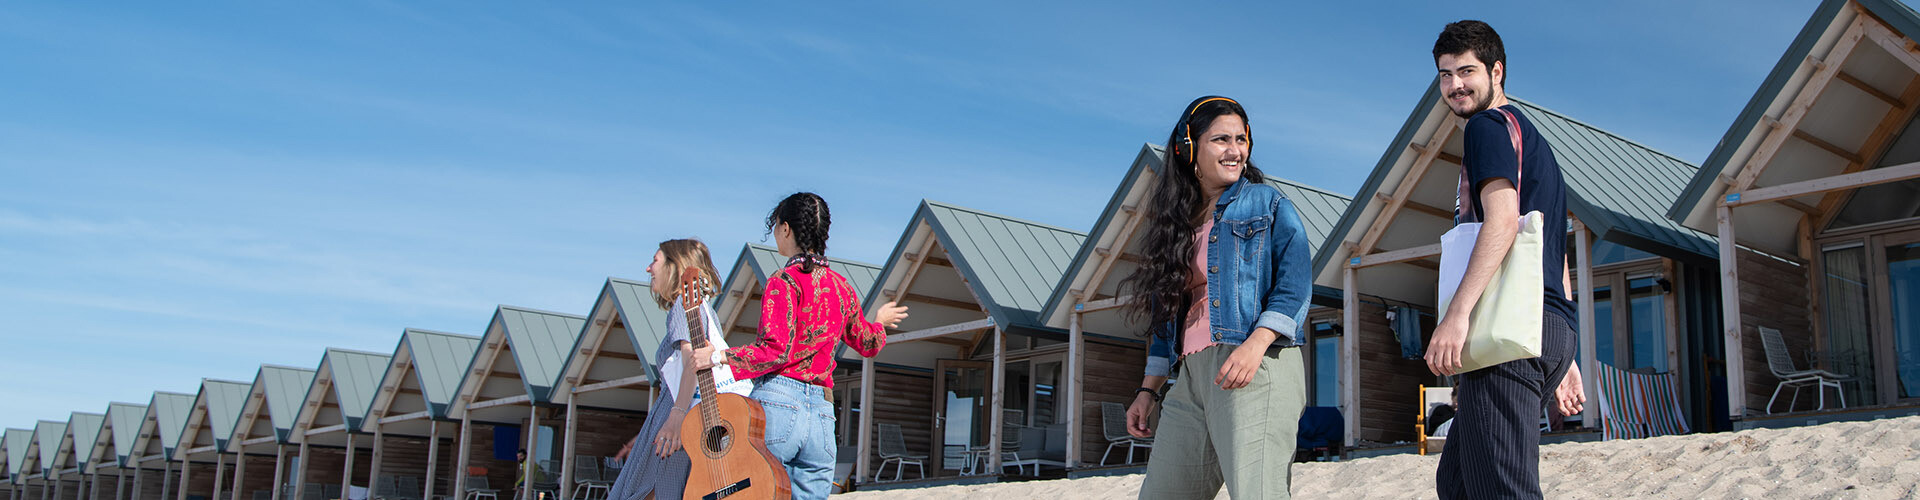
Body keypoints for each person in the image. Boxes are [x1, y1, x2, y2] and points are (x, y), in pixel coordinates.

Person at [1423, 20, 1587, 499]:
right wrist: (1566, 349)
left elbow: (1501, 223)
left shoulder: (1489, 126)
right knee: (1457, 484)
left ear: (1497, 71)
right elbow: (1551, 251)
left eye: (1467, 71)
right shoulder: (1531, 139)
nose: (1455, 85)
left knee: (1502, 491)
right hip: (1541, 327)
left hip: (1509, 334)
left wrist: (1457, 316)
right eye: (1445, 74)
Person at [1120, 96, 1313, 499]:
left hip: (1255, 364)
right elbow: (1165, 316)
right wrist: (1148, 389)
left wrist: (1255, 344)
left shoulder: (1266, 204)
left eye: (1241, 139)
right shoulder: (1175, 224)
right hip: (1191, 374)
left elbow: (1295, 284)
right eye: (1220, 139)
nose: (1235, 150)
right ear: (1188, 148)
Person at [692, 192, 909, 499]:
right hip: (822, 413)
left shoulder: (784, 281)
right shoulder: (842, 288)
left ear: (785, 229)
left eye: (776, 228)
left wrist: (717, 357)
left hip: (779, 403)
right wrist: (879, 321)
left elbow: (774, 350)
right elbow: (868, 343)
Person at [606, 239, 754, 500]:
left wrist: (675, 417)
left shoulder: (682, 306)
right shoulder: (703, 308)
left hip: (680, 418)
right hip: (685, 417)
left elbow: (692, 362)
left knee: (646, 492)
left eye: (655, 261)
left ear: (675, 266)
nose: (648, 269)